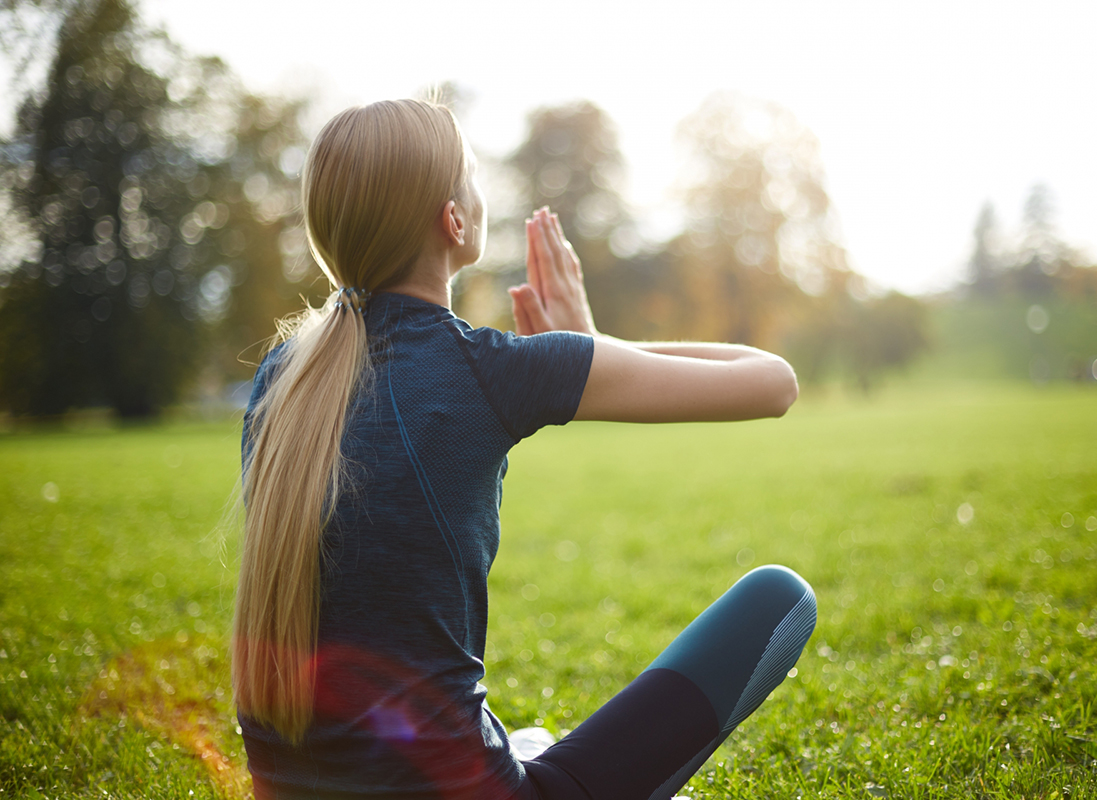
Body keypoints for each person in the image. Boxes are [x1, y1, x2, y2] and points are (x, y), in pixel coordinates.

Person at [233, 98, 817, 800]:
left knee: (530, 738)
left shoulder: (284, 378)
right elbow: (773, 383)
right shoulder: (488, 367)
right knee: (781, 597)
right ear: (455, 220)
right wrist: (593, 344)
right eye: (474, 175)